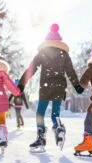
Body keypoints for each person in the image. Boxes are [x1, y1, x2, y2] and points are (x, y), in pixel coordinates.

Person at [18, 24, 83, 152]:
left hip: (46, 87)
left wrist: (22, 82)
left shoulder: (43, 53)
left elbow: (32, 68)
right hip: (59, 87)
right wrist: (76, 85)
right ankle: (58, 128)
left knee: (40, 113)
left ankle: (41, 139)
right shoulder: (63, 53)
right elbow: (70, 71)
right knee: (55, 114)